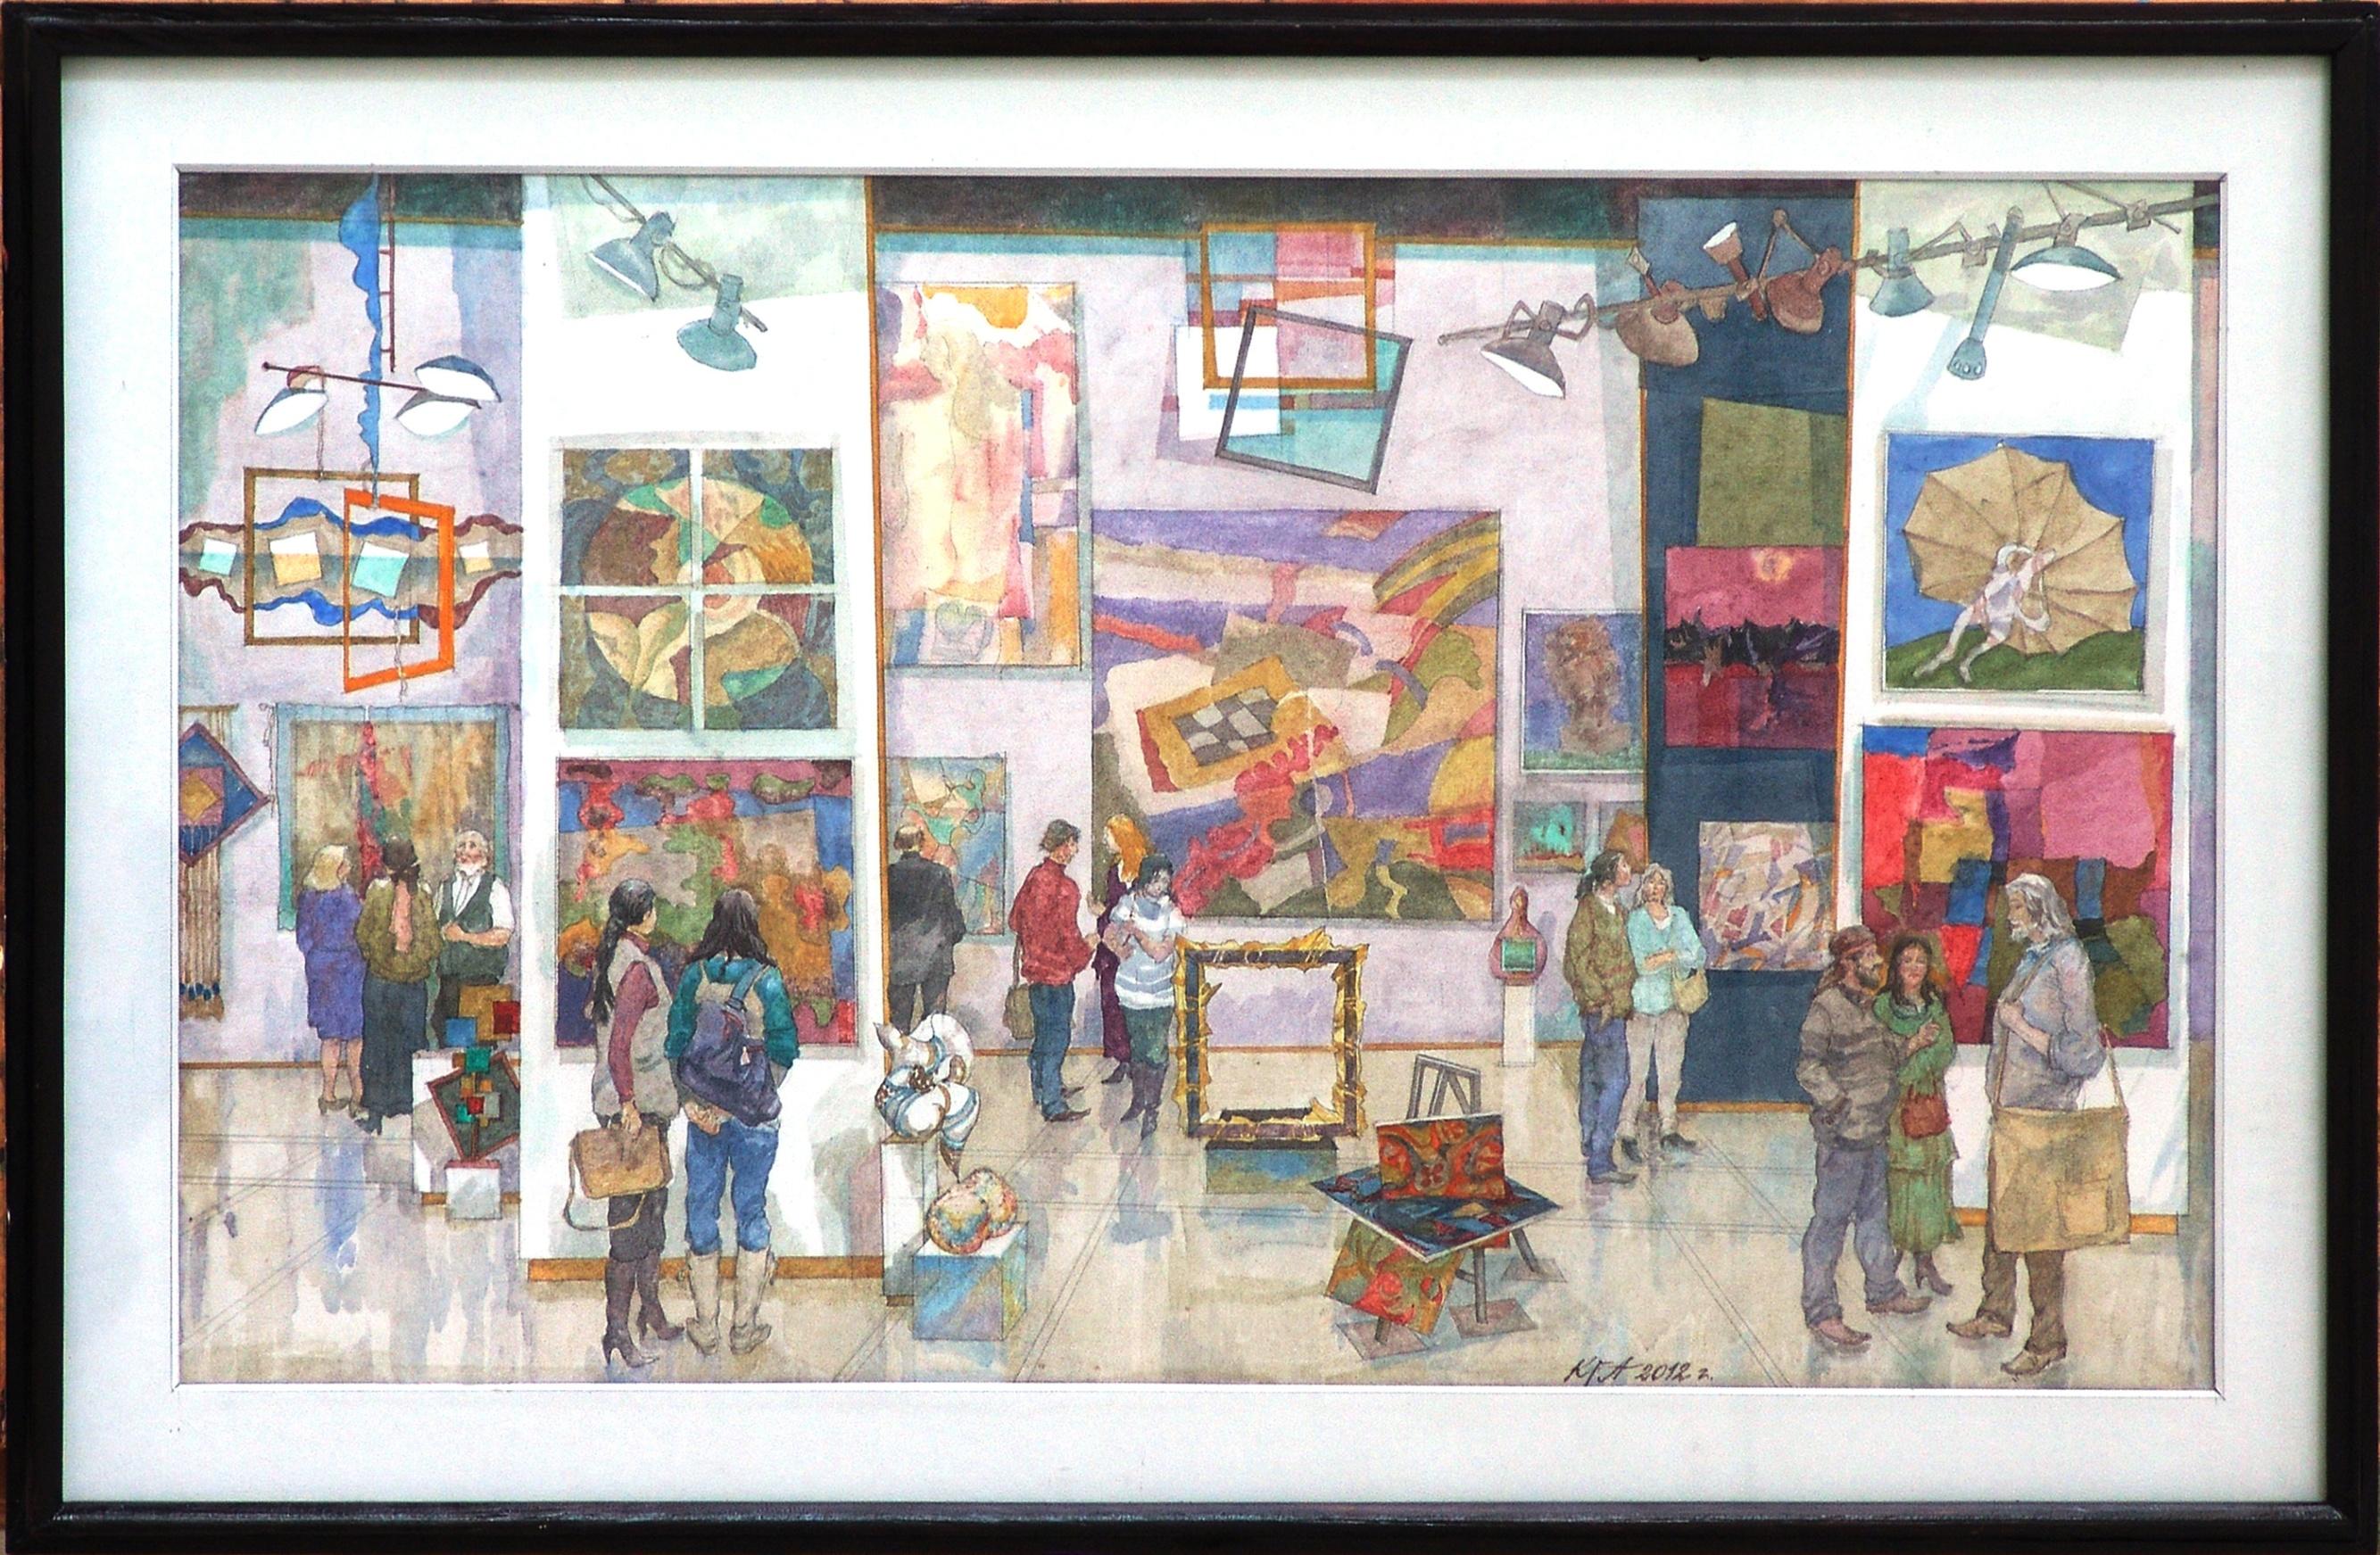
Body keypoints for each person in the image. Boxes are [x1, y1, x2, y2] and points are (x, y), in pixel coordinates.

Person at [1947, 873, 2106, 1377]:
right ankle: (1995, 1314)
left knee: (2040, 1233)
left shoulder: (2068, 961)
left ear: (2039, 909)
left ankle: (2047, 1340)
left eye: (2017, 906)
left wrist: (2022, 1027)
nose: (2010, 915)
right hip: (2011, 1115)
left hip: (2044, 1118)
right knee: (2001, 1219)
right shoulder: (2032, 958)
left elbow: (2084, 1053)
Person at [667, 889, 801, 1358]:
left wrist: (693, 1103)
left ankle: (706, 1324)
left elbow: (676, 1043)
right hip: (754, 1120)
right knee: (751, 1210)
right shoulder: (767, 980)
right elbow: (785, 1049)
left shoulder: (695, 976)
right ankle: (744, 1326)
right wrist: (752, 1096)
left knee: (701, 1208)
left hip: (703, 1117)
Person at [1795, 925, 1931, 1350]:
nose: (1878, 961)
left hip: (1874, 1134)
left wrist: (1913, 1043)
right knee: (1830, 1224)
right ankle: (1822, 1313)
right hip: (1844, 1139)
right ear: (1848, 963)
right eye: (1869, 955)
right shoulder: (1826, 1008)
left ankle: (1884, 1292)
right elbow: (1808, 1067)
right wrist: (1838, 1104)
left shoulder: (1869, 1007)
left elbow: (1886, 1052)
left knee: (1875, 1218)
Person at [587, 878, 682, 1369]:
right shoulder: (636, 970)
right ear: (643, 915)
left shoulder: (619, 956)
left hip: (645, 1107)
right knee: (630, 1226)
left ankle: (651, 1312)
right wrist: (627, 1104)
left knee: (652, 1215)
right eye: (653, 909)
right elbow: (618, 1044)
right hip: (635, 1111)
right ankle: (618, 1331)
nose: (656, 916)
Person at [1877, 931, 1960, 1297]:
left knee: (1931, 1182)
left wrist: (1918, 1061)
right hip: (1896, 1109)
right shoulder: (1882, 1007)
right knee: (1898, 1183)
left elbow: (1945, 1050)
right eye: (1907, 960)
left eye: (1921, 961)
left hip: (1929, 1105)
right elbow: (1882, 1060)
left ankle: (1925, 1261)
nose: (1914, 967)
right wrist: (1915, 1051)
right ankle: (1890, 1263)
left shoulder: (1934, 1003)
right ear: (1896, 965)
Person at [351, 840, 440, 1137]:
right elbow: (364, 935)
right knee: (382, 1045)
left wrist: (406, 958)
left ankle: (400, 1107)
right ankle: (380, 1110)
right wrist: (390, 954)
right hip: (386, 981)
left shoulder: (420, 894)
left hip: (404, 982)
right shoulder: (381, 892)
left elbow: (431, 942)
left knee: (405, 1044)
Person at [1008, 820, 1094, 1123]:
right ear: (1060, 846)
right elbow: (1069, 936)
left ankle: (1044, 1087)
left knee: (1044, 1035)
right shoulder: (1066, 888)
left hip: (1035, 974)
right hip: (1057, 975)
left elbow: (1014, 920)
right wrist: (1088, 947)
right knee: (1058, 1038)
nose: (1075, 850)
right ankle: (1054, 1104)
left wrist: (1035, 943)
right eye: (1071, 843)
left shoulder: (1034, 877)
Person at [1621, 862, 1706, 1162]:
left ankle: (1668, 1129)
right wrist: (1675, 955)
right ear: (1642, 887)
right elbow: (1642, 964)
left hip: (1674, 1005)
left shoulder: (1679, 916)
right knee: (1637, 1073)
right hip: (1642, 1005)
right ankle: (1627, 1130)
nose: (1655, 887)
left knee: (1671, 1072)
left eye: (1660, 882)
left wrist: (1668, 956)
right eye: (1650, 882)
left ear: (1667, 887)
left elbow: (1698, 954)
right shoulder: (1636, 920)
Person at [1564, 849, 1637, 1187]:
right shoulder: (1589, 909)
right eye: (1623, 865)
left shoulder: (1619, 910)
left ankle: (1591, 1140)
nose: (1629, 869)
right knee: (1616, 1081)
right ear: (1609, 874)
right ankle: (1600, 1159)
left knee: (1594, 1078)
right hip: (1602, 1010)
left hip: (1616, 1007)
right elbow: (1576, 962)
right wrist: (1601, 1000)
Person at [1105, 854, 1186, 1140]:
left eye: (1165, 881)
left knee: (1156, 1052)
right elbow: (1108, 934)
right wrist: (1119, 949)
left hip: (1160, 993)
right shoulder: (1127, 903)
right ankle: (1138, 1101)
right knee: (1138, 1049)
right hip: (1130, 991)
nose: (1160, 886)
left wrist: (1137, 933)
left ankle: (1152, 1109)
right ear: (1144, 878)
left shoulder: (1171, 912)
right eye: (1156, 880)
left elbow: (1161, 953)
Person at [1917, 542, 2059, 685]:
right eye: (2040, 560)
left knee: (1997, 638)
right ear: (2036, 556)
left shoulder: (2035, 579)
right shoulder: (2016, 566)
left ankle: (1966, 662)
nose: (2040, 565)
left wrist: (2028, 619)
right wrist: (1982, 604)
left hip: (2005, 613)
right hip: (1990, 606)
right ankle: (1940, 659)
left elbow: (2027, 604)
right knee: (1964, 618)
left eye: (2044, 563)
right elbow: (1994, 587)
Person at [294, 844, 366, 1114]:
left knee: (333, 1037)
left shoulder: (310, 897)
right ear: (334, 867)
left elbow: (304, 938)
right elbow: (358, 932)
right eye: (344, 863)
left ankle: (331, 1094)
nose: (349, 867)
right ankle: (355, 1096)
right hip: (346, 970)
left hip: (326, 970)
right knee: (352, 1037)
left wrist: (317, 956)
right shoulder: (345, 897)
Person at [435, 829, 515, 1042]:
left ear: (484, 855)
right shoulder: (445, 887)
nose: (465, 851)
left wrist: (465, 937)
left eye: (472, 846)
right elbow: (435, 927)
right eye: (461, 846)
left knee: (481, 1047)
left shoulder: (495, 887)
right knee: (452, 1046)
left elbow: (503, 934)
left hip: (483, 981)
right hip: (449, 983)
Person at [885, 823, 967, 1031]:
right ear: (921, 843)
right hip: (936, 956)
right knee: (934, 1022)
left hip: (900, 956)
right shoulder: (939, 873)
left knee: (899, 1023)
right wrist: (952, 937)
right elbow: (953, 918)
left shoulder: (888, 875)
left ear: (897, 844)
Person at [1092, 816, 1149, 1086]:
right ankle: (1123, 1060)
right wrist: (1102, 912)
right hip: (1112, 951)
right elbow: (1113, 910)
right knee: (1112, 1005)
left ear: (1122, 837)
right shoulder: (1113, 871)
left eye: (1110, 835)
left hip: (1139, 950)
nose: (1106, 841)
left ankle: (1139, 1062)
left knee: (1136, 1005)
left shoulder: (1145, 869)